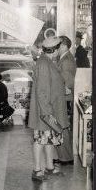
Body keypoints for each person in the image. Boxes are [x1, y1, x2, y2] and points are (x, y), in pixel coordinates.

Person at [28, 36, 68, 181]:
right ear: (55, 50)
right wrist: (47, 113)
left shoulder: (47, 61)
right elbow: (42, 91)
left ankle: (49, 167)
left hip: (49, 109)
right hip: (45, 111)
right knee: (40, 140)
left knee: (49, 140)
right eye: (59, 47)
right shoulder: (44, 64)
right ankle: (37, 170)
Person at [54, 35, 77, 164]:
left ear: (63, 46)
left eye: (57, 45)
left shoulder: (66, 60)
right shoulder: (64, 58)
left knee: (62, 127)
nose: (55, 48)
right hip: (63, 98)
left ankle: (66, 157)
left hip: (64, 98)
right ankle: (63, 156)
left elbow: (67, 86)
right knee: (61, 127)